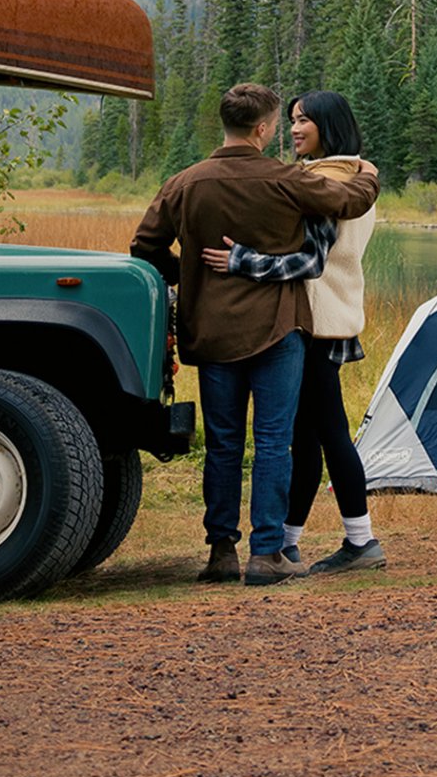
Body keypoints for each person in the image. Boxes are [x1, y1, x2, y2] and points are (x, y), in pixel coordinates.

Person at [130, 83, 378, 586]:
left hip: (213, 332)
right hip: (276, 331)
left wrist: (187, 276)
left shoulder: (185, 182)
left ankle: (222, 552)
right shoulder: (287, 178)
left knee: (223, 444)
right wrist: (369, 177)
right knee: (273, 444)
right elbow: (345, 200)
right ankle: (267, 554)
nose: (290, 128)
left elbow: (144, 246)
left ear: (226, 122)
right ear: (263, 128)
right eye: (284, 121)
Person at [201, 90, 383, 575]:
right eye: (294, 120)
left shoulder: (327, 181)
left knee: (328, 434)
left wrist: (241, 260)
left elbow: (310, 260)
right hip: (328, 316)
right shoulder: (353, 175)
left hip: (316, 320)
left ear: (329, 127)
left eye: (305, 121)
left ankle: (361, 541)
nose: (295, 129)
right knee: (306, 436)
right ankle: (287, 542)